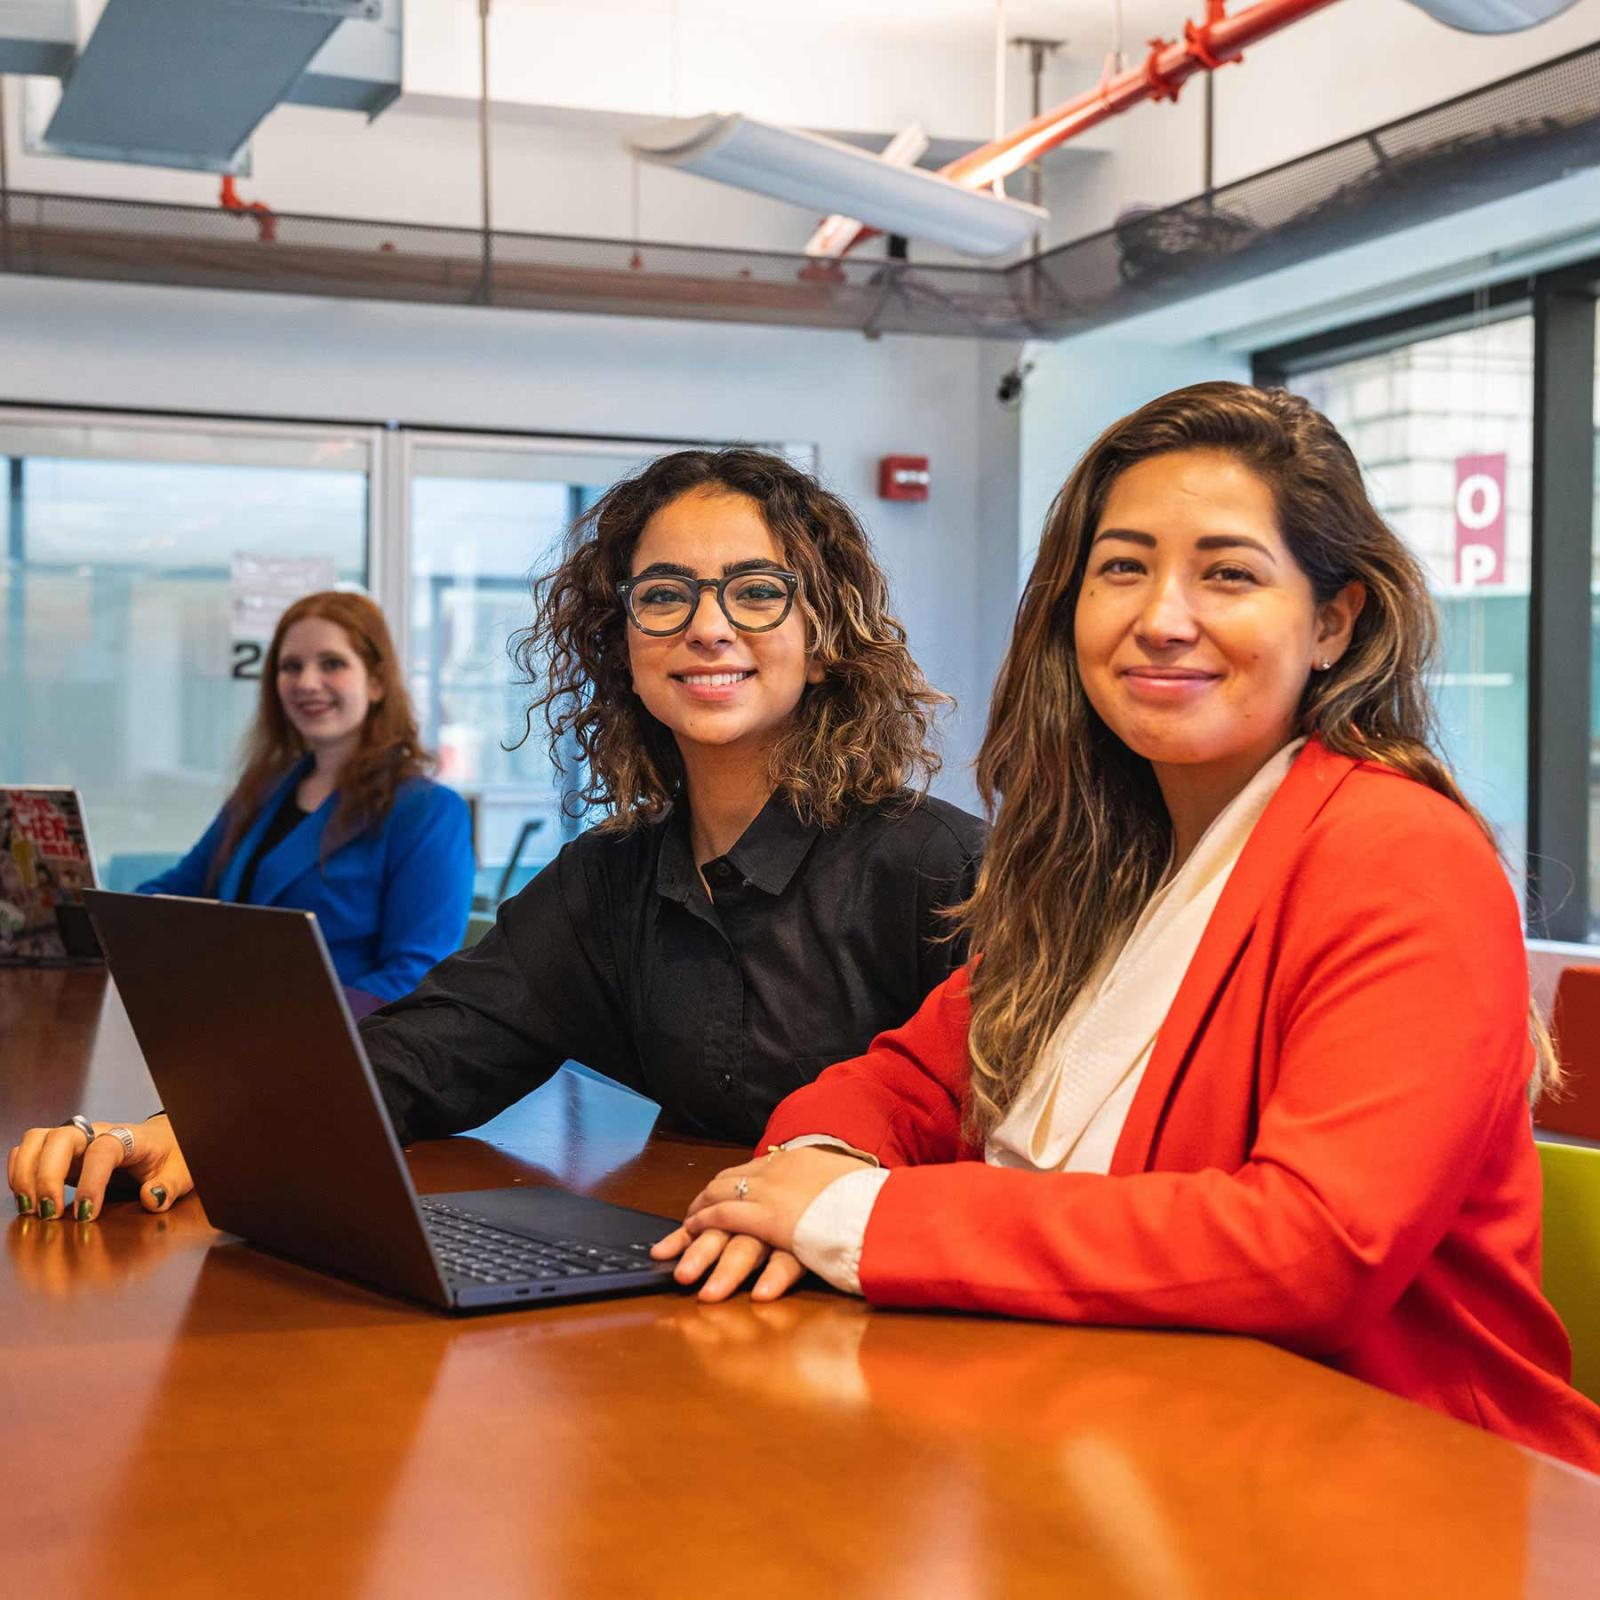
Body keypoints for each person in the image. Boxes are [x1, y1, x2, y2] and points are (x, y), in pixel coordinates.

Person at [662, 383, 1600, 1471]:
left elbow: (1310, 1250)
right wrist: (806, 1168)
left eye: (1228, 572)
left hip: (1403, 1486)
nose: (1160, 614)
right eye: (1122, 566)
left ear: (1332, 623)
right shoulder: (1104, 858)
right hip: (1110, 1441)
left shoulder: (1399, 856)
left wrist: (860, 1218)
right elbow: (909, 1082)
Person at [10, 450, 983, 1226]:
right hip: (692, 1316)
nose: (708, 627)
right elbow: (427, 1050)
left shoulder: (941, 870)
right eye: (663, 595)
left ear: (823, 642)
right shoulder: (603, 884)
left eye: (757, 591)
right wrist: (187, 1129)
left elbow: (1031, 1148)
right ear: (622, 648)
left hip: (902, 1334)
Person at [136, 588, 474, 1011]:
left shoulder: (428, 812)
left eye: (332, 663)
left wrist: (297, 1022)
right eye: (290, 666)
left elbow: (416, 973)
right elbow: (177, 891)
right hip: (225, 1029)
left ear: (376, 682)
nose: (306, 683)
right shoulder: (260, 792)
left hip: (342, 1050)